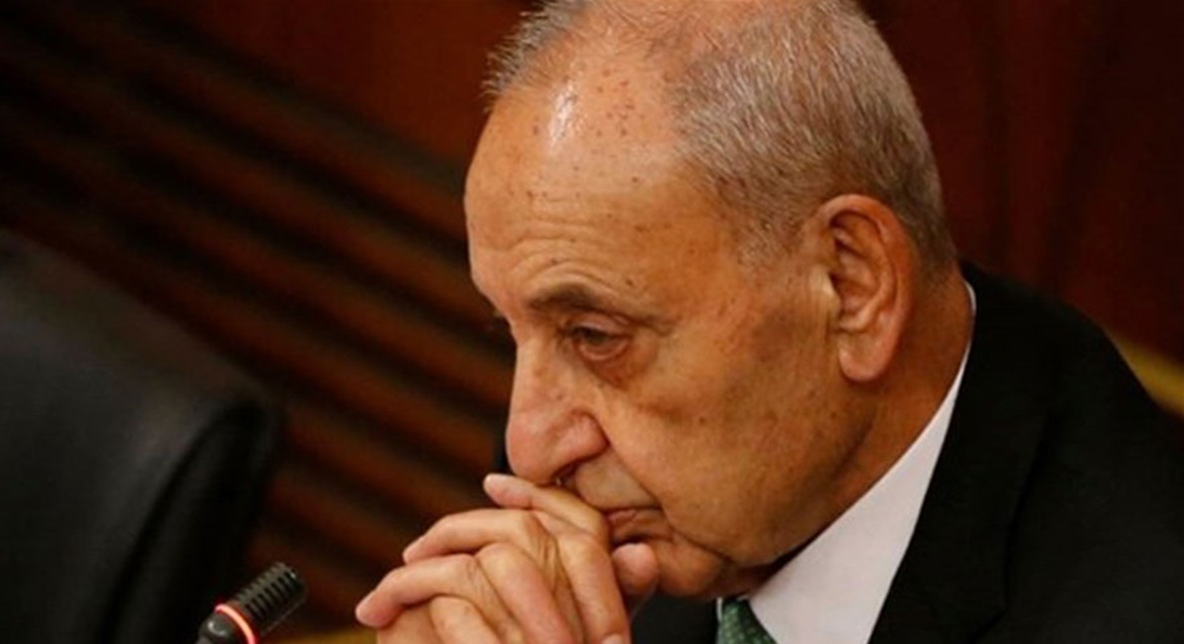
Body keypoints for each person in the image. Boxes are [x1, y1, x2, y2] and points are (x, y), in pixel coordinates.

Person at [354, 0, 1184, 642]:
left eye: (596, 338)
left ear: (850, 286)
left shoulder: (1136, 605)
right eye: (511, 332)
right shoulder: (633, 495)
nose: (529, 446)